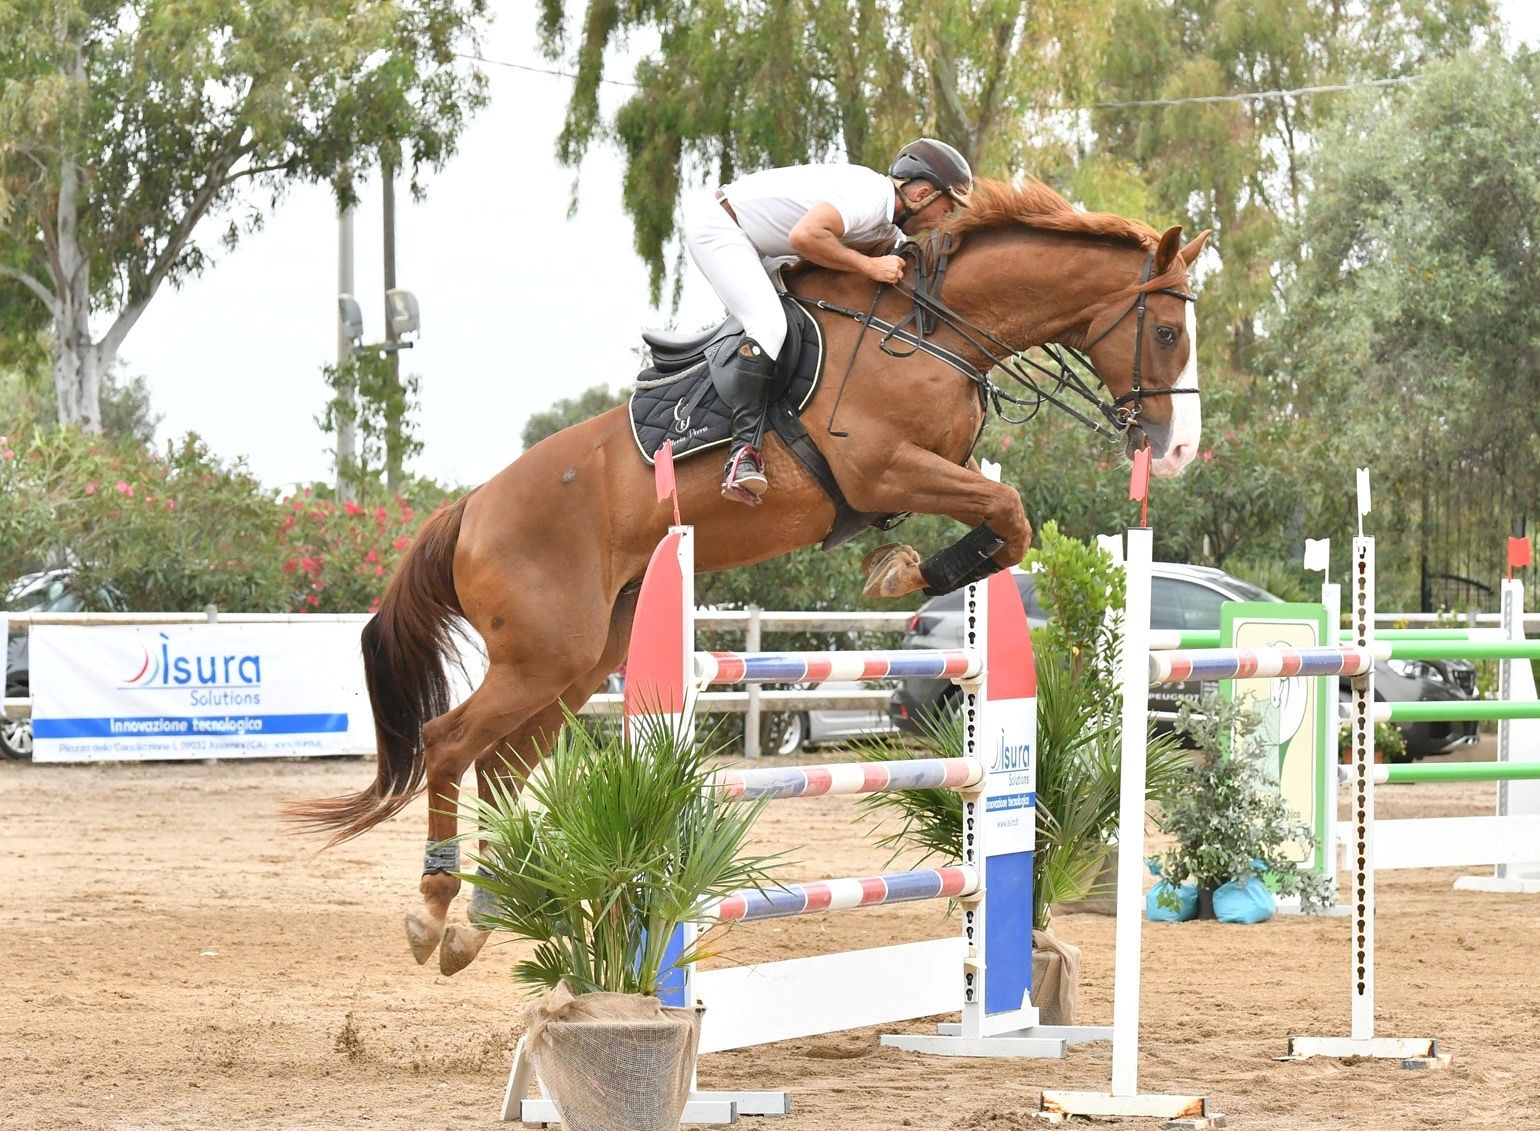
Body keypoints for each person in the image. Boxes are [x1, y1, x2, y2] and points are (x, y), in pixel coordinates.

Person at [681, 138, 975, 505]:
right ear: (921, 193)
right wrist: (869, 265)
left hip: (766, 247)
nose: (945, 220)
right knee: (770, 327)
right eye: (948, 208)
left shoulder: (889, 227)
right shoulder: (870, 195)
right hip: (724, 229)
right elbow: (805, 236)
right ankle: (742, 454)